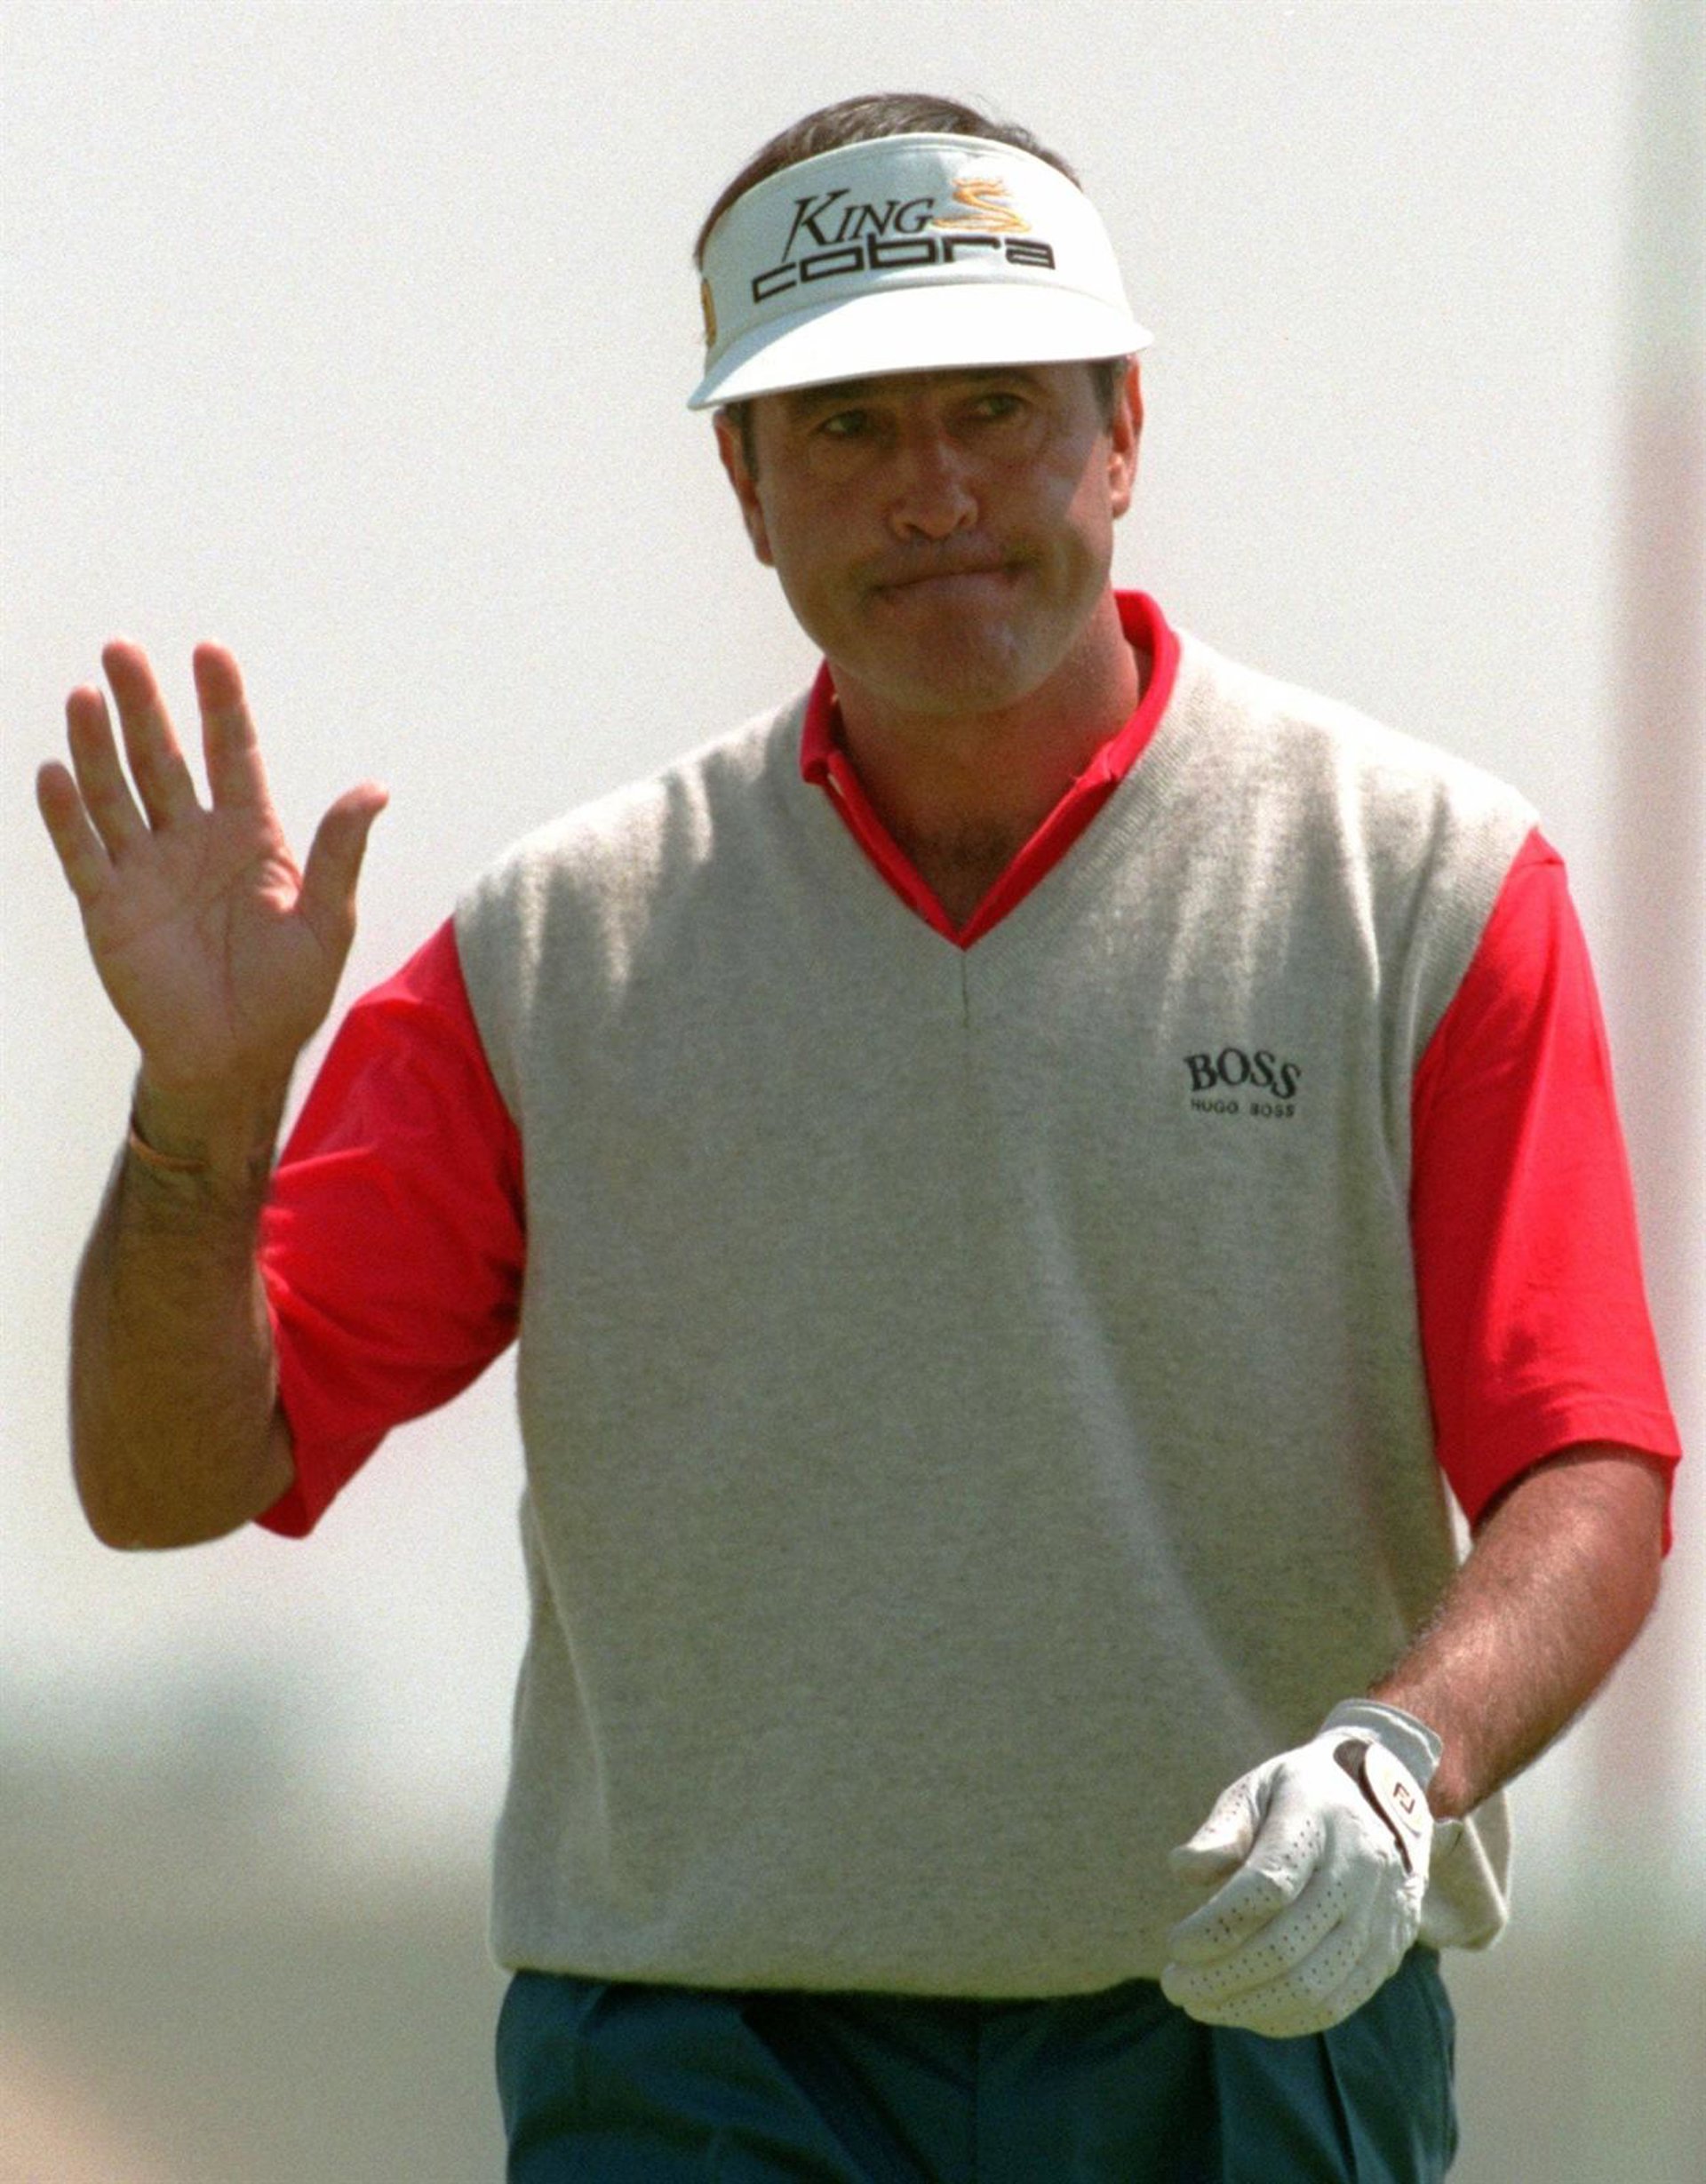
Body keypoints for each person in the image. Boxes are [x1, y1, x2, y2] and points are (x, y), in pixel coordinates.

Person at [36, 91, 1680, 2184]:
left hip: (1254, 2023)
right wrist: (200, 1120)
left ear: (1122, 429)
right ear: (743, 483)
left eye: (997, 407)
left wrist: (1399, 1756)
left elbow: (1587, 1468)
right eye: (844, 427)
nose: (934, 491)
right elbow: (174, 1474)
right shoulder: (558, 947)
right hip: (701, 2062)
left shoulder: (1420, 883)